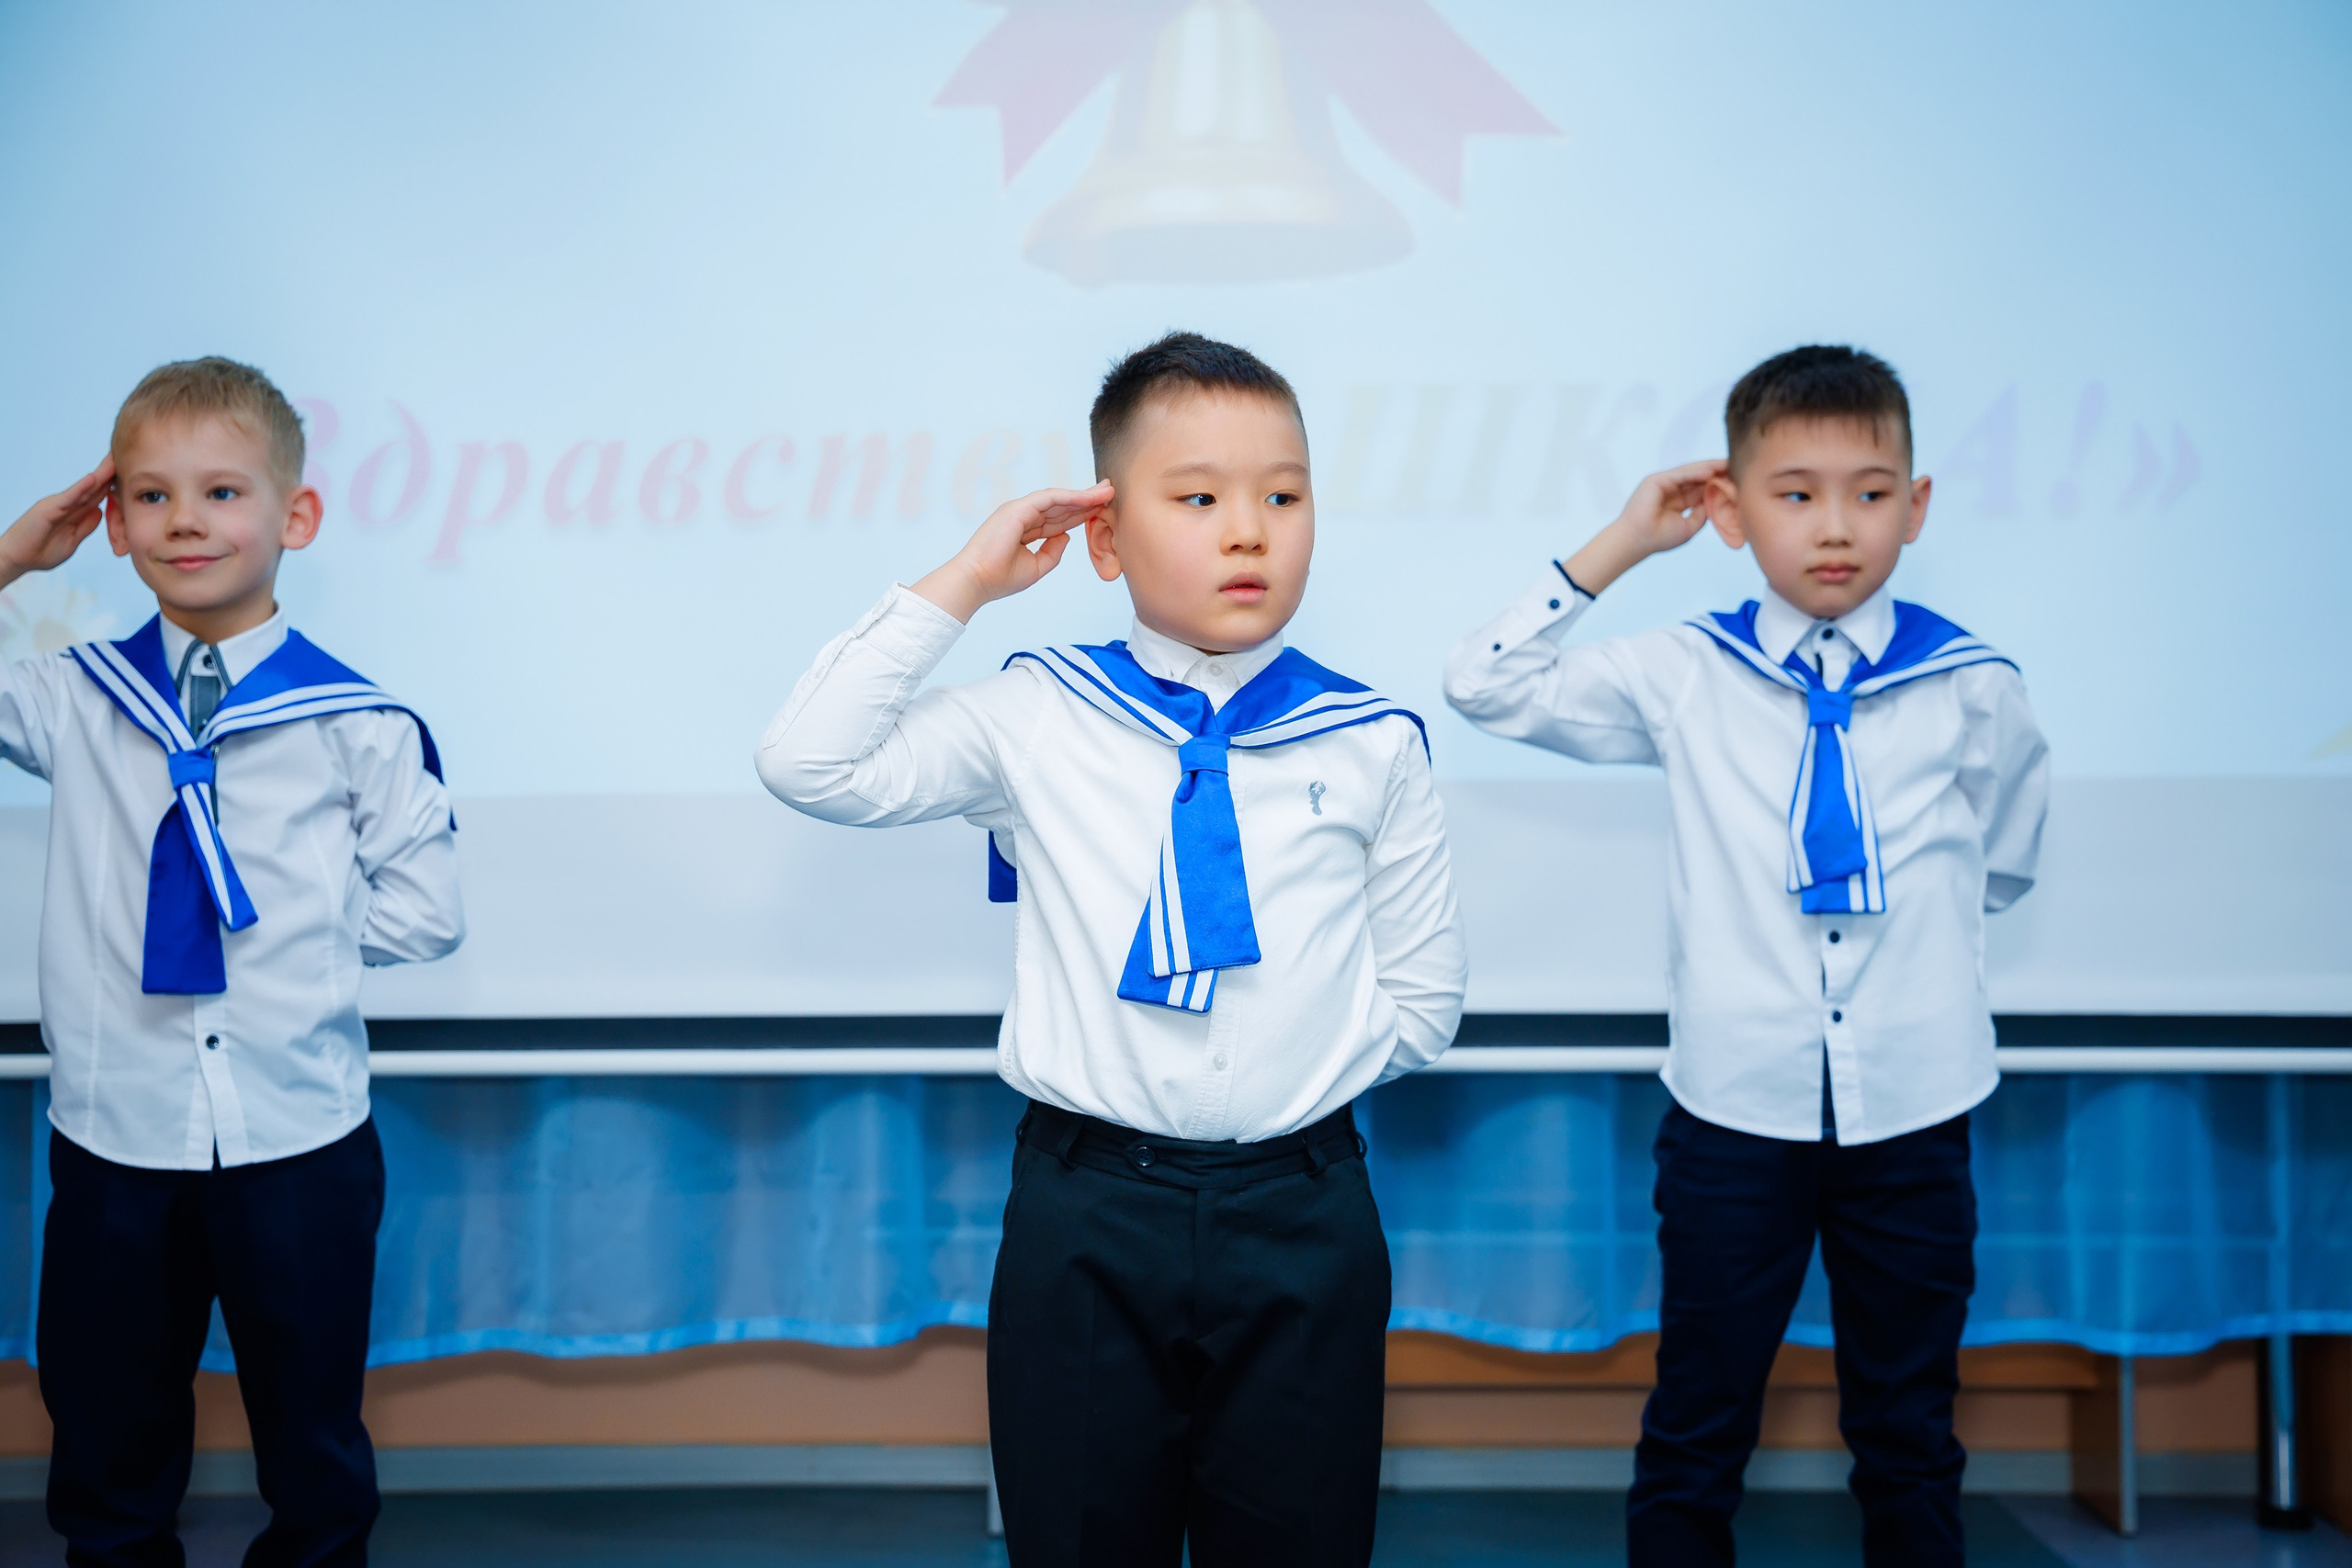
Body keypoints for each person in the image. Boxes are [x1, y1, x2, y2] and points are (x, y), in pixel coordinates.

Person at [757, 332, 1466, 1566]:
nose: (1249, 531)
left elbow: (1422, 994)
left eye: (1283, 496)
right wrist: (967, 582)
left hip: (1305, 1216)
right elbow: (811, 761)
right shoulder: (1041, 714)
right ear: (1104, 534)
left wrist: (1291, 1102)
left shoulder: (1374, 740)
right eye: (1197, 498)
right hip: (1088, 1218)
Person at [1444, 345, 2049, 1567]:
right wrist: (1622, 544)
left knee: (1911, 1428)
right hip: (1733, 1113)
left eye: (1872, 493)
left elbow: (2006, 856)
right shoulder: (1686, 673)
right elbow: (1482, 683)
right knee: (1699, 1421)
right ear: (1729, 508)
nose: (1837, 525)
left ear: (1917, 507)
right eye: (1795, 492)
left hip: (1916, 1110)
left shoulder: (1972, 685)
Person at [0, 357, 464, 1566]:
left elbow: (424, 912)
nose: (185, 522)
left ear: (293, 516)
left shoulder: (357, 720)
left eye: (221, 492)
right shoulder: (72, 700)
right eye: (148, 497)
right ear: (111, 523)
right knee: (105, 1455)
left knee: (315, 1457)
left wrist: (286, 949)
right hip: (114, 1145)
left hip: (299, 1143)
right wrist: (16, 554)